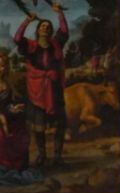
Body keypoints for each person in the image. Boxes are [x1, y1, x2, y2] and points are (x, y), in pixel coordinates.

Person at [14, 2, 68, 166]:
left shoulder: (56, 44)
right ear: (38, 30)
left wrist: (60, 13)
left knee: (60, 124)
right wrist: (27, 21)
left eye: (47, 26)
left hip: (54, 88)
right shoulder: (30, 46)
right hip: (36, 91)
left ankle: (57, 156)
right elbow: (17, 38)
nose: (45, 28)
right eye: (42, 26)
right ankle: (42, 155)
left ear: (50, 31)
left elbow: (64, 32)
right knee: (39, 126)